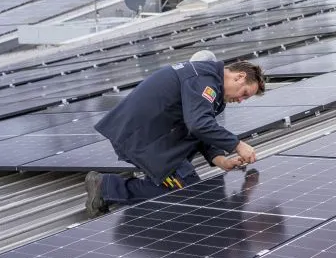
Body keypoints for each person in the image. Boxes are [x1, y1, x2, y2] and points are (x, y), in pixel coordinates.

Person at [83, 59, 266, 217]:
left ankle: (129, 186)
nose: (241, 100)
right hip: (141, 137)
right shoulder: (204, 80)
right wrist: (237, 144)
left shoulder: (212, 86)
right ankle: (106, 186)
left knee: (194, 194)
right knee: (191, 195)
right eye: (244, 94)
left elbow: (199, 128)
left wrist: (220, 160)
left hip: (156, 140)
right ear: (240, 77)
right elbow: (198, 123)